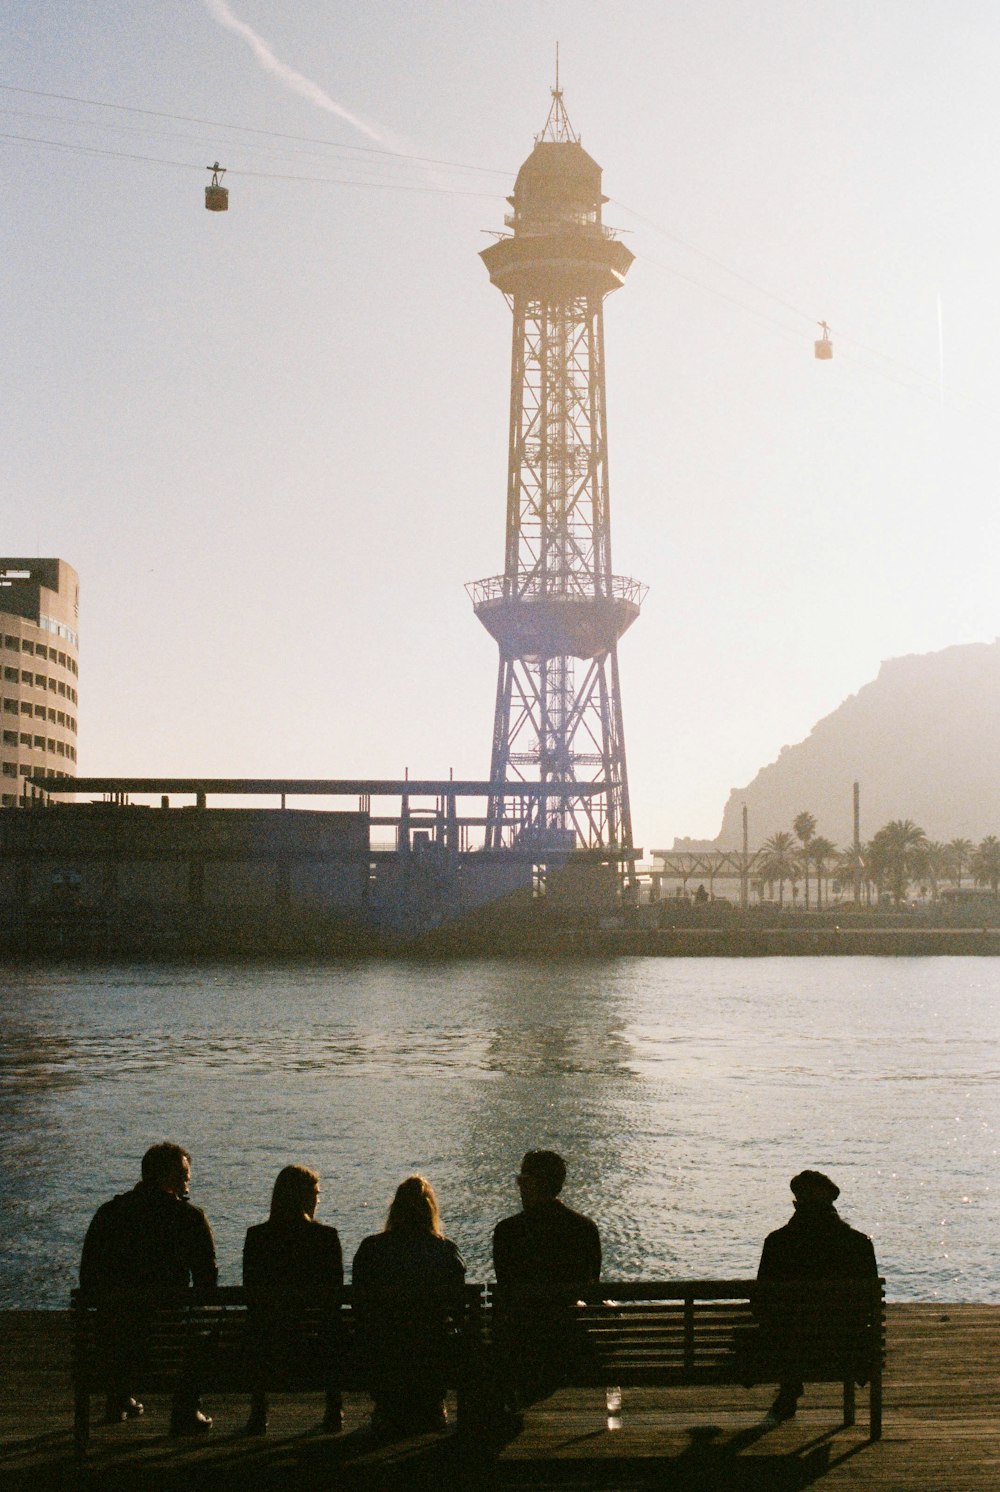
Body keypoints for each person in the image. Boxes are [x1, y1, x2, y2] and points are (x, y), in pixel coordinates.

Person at [79, 1142, 217, 1434]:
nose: (188, 1179)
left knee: (124, 1318)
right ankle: (185, 1410)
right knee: (198, 1329)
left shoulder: (109, 1213)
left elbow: (88, 1280)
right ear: (167, 1177)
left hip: (112, 1341)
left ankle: (117, 1397)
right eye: (183, 1173)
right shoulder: (190, 1219)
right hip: (168, 1340)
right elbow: (207, 1286)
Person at [756, 1169, 879, 1423]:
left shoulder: (777, 1243)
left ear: (796, 1203)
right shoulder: (859, 1244)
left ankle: (790, 1388)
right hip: (845, 1346)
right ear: (832, 1204)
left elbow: (761, 1304)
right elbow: (869, 1305)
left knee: (785, 1326)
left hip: (785, 1348)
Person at [351, 1175, 466, 1437]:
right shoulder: (444, 1251)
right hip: (431, 1347)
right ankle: (434, 1406)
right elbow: (459, 1308)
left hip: (383, 1347)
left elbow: (360, 1304)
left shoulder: (372, 1249)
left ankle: (387, 1409)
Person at [492, 1151, 601, 1408]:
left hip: (522, 1341)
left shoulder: (508, 1232)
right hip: (569, 1343)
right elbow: (591, 1286)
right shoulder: (585, 1229)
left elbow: (505, 1286)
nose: (518, 1187)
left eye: (521, 1180)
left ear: (532, 1184)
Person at [242, 1164, 343, 1436]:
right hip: (316, 1345)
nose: (318, 1200)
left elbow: (251, 1295)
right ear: (306, 1198)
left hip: (268, 1344)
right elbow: (334, 1299)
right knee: (334, 1326)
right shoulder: (325, 1238)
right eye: (316, 1194)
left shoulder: (257, 1237)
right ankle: (334, 1410)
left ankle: (258, 1412)